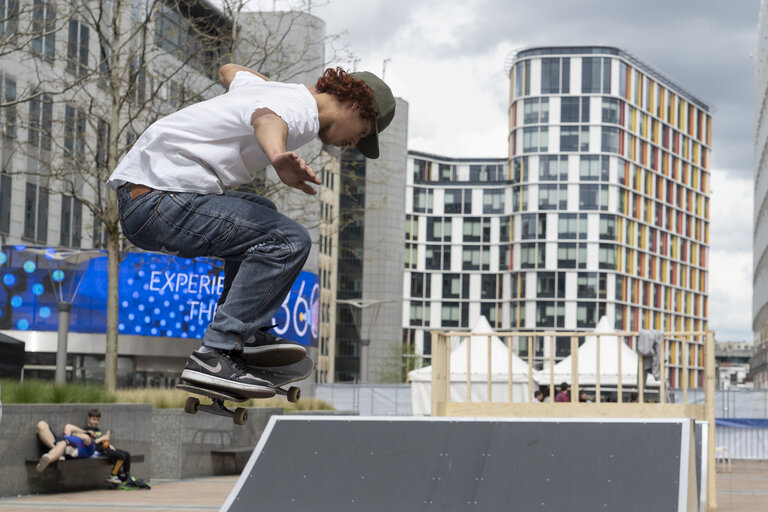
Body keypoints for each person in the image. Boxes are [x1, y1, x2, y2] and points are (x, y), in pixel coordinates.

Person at [107, 64, 395, 394]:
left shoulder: (276, 93)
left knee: (263, 212)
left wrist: (264, 87)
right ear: (357, 105)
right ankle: (216, 351)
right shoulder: (302, 111)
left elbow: (228, 70)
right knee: (289, 240)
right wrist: (278, 155)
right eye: (362, 132)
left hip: (146, 199)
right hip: (161, 202)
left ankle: (242, 332)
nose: (354, 143)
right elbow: (267, 120)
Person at [82, 408, 131, 484]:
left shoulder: (97, 429)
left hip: (103, 448)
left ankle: (126, 476)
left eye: (98, 420)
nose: (96, 422)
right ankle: (113, 475)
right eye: (94, 419)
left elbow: (101, 442)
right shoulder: (86, 430)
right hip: (97, 450)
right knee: (121, 456)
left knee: (127, 454)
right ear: (89, 418)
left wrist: (108, 445)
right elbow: (91, 443)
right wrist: (103, 438)